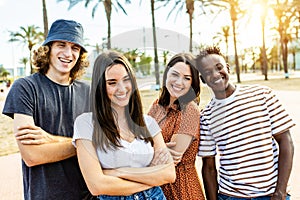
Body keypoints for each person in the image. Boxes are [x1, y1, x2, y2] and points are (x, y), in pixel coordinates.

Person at [2, 19, 94, 199]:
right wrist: (85, 144)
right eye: (61, 45)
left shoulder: (89, 91)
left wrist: (50, 139)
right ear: (48, 48)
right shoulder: (25, 87)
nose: (68, 53)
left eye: (75, 48)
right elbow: (32, 155)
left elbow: (105, 144)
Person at [72, 50, 176, 200]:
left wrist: (119, 172)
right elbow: (97, 185)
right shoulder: (86, 124)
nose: (122, 88)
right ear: (100, 87)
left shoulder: (148, 123)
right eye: (112, 83)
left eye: (126, 80)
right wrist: (151, 176)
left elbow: (169, 174)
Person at [196, 46, 295, 200]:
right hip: (232, 196)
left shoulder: (262, 94)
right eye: (207, 73)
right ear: (202, 79)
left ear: (227, 68)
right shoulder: (206, 116)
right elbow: (208, 167)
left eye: (219, 67)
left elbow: (286, 141)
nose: (215, 74)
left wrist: (280, 191)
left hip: (272, 195)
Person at [148, 52, 205, 200]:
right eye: (175, 74)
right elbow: (139, 139)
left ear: (192, 83)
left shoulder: (190, 111)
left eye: (187, 78)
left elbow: (170, 159)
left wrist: (145, 151)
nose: (179, 82)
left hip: (182, 191)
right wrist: (156, 151)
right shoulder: (157, 106)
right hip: (156, 189)